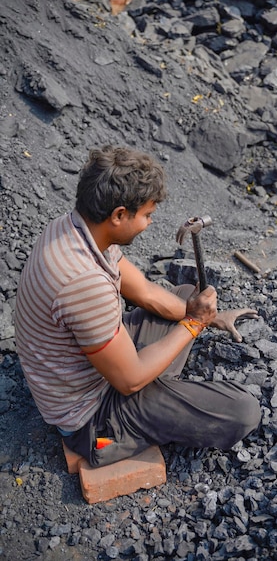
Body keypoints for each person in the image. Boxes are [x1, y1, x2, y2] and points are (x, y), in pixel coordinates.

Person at [15, 145, 261, 467]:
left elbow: (144, 290)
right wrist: (194, 325)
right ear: (118, 215)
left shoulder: (75, 228)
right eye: (146, 215)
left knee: (183, 297)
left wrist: (205, 316)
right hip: (91, 422)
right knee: (243, 411)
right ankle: (112, 441)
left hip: (85, 371)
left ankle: (159, 389)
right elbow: (129, 381)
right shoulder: (83, 283)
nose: (149, 223)